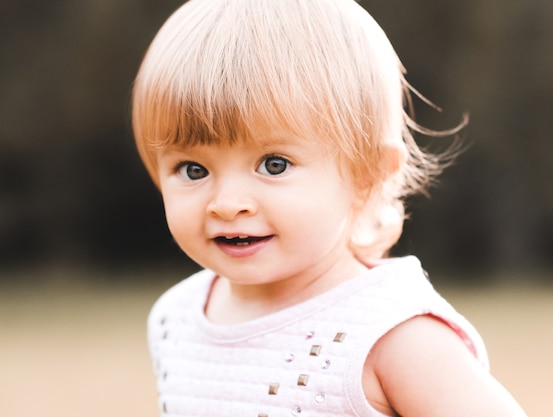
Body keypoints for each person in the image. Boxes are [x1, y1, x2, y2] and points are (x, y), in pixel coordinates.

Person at [131, 0, 527, 416]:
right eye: (192, 169)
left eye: (274, 164)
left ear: (367, 174)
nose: (227, 204)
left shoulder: (391, 336)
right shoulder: (174, 320)